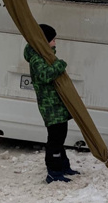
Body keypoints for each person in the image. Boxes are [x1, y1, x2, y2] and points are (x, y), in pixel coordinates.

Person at [26, 24, 77, 184]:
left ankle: (63, 166)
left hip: (57, 106)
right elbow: (45, 75)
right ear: (43, 41)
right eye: (52, 40)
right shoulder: (37, 58)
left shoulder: (44, 55)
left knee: (60, 138)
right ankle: (54, 172)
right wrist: (60, 64)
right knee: (55, 140)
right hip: (50, 107)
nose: (55, 43)